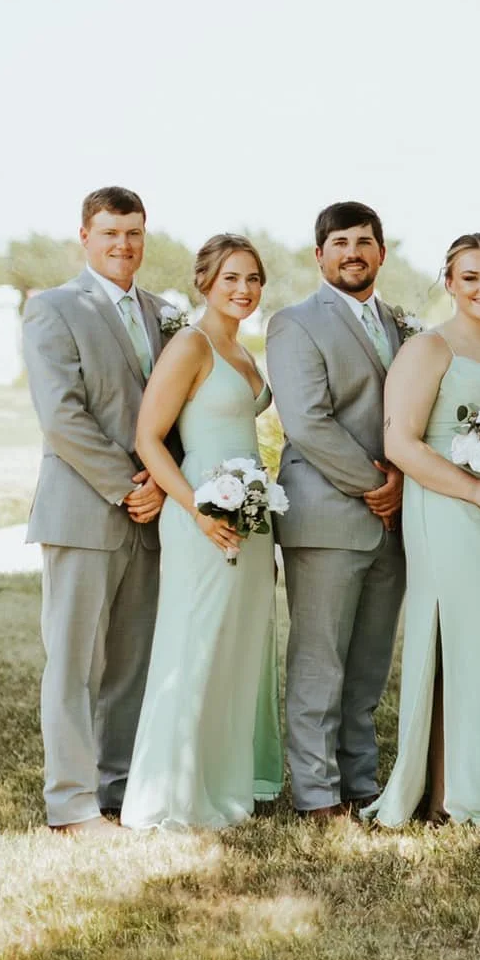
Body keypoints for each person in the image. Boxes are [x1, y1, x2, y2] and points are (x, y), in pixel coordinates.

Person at [366, 235, 480, 826]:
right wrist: (473, 490)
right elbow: (400, 443)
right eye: (470, 277)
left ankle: (467, 789)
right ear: (449, 282)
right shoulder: (428, 349)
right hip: (446, 509)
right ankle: (450, 795)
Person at [22, 186, 174, 837]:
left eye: (133, 232)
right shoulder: (53, 309)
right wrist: (127, 484)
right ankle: (71, 804)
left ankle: (119, 791)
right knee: (75, 665)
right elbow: (62, 415)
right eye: (110, 232)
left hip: (153, 512)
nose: (123, 244)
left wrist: (163, 483)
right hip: (85, 511)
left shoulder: (165, 314)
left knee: (132, 665)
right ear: (85, 236)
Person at [121, 236, 283, 830]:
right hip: (202, 518)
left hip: (250, 516)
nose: (244, 289)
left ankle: (223, 782)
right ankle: (173, 794)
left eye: (253, 279)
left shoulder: (242, 349)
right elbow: (148, 437)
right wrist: (197, 510)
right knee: (195, 644)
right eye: (231, 278)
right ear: (205, 282)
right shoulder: (191, 345)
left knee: (237, 646)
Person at [264, 201, 409, 820]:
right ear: (319, 254)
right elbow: (307, 422)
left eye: (364, 241)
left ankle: (359, 782)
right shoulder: (294, 324)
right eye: (340, 242)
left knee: (369, 665)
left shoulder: (401, 325)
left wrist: (404, 483)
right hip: (327, 514)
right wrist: (377, 484)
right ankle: (317, 793)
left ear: (381, 252)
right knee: (320, 663)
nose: (353, 252)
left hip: (393, 521)